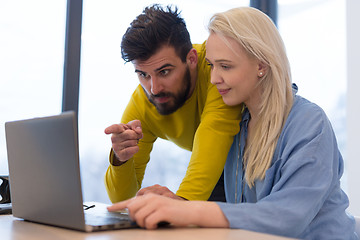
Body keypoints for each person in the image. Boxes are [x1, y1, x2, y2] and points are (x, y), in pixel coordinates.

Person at [107, 6, 358, 239]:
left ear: (261, 65)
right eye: (212, 66)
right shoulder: (239, 127)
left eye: (225, 66)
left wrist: (185, 209)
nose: (214, 79)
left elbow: (287, 217)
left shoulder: (309, 123)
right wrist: (172, 202)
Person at [104, 4, 242, 203]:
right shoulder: (143, 103)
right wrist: (120, 158)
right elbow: (121, 201)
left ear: (192, 59)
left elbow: (216, 129)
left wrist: (180, 205)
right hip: (218, 172)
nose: (154, 88)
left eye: (164, 71)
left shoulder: (215, 71)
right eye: (143, 74)